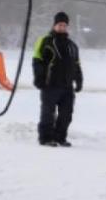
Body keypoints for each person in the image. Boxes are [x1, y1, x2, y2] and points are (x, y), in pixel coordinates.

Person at [33, 11, 82, 147]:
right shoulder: (46, 41)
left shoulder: (72, 46)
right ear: (54, 25)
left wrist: (79, 80)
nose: (62, 27)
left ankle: (60, 137)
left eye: (64, 25)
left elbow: (77, 64)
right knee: (48, 113)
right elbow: (37, 60)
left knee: (66, 114)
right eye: (59, 25)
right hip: (50, 85)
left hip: (67, 86)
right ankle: (46, 138)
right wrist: (39, 78)